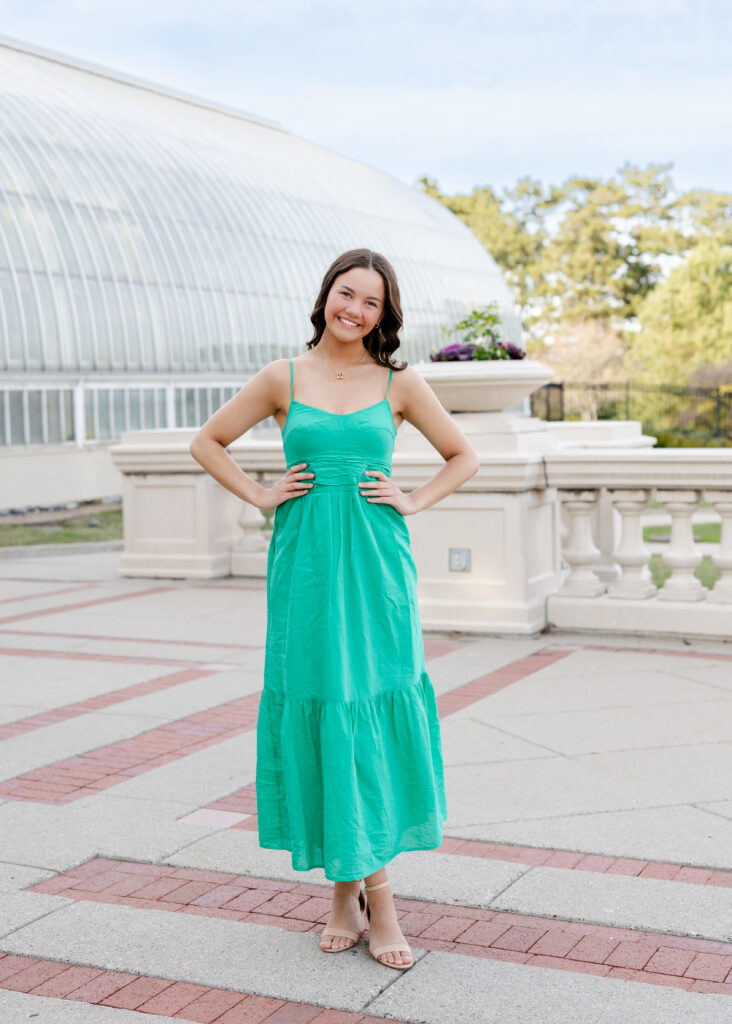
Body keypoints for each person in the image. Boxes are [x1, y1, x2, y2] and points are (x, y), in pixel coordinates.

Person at [190, 248, 480, 969]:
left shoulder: (400, 382)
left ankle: (370, 900)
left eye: (371, 302)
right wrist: (261, 494)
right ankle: (349, 894)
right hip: (307, 572)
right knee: (326, 704)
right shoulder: (281, 378)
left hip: (378, 570)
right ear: (325, 297)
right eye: (346, 294)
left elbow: (462, 456)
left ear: (385, 314)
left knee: (368, 711)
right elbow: (207, 442)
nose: (355, 310)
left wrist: (411, 499)